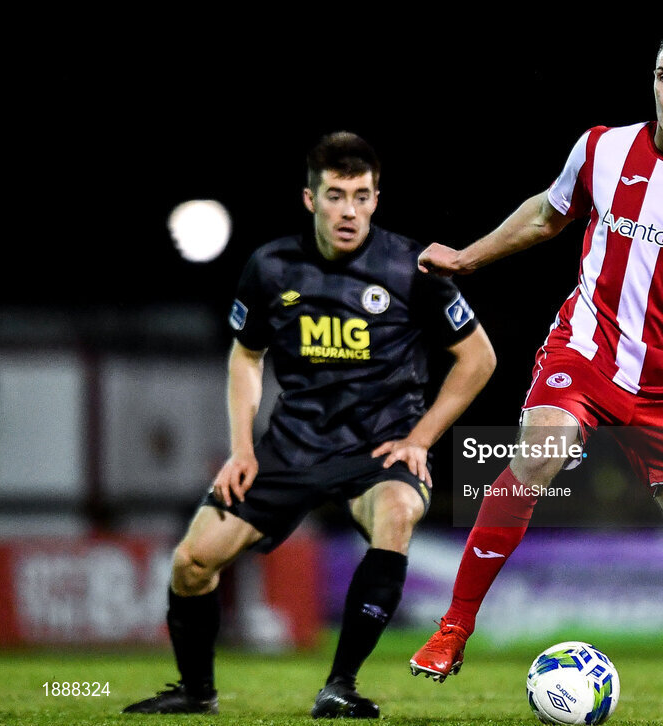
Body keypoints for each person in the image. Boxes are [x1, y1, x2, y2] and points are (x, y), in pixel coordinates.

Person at [410, 30, 663, 724]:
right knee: (540, 451)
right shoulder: (603, 147)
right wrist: (468, 258)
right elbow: (548, 213)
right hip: (584, 353)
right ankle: (455, 626)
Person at [122, 132, 496, 719]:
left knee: (396, 514)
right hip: (293, 445)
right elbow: (246, 356)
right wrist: (241, 449)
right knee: (192, 562)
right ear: (309, 199)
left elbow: (479, 359)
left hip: (381, 447)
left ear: (377, 199)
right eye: (336, 195)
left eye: (362, 196)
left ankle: (339, 686)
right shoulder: (270, 268)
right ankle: (196, 694)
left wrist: (420, 438)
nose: (349, 210)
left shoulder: (413, 267)